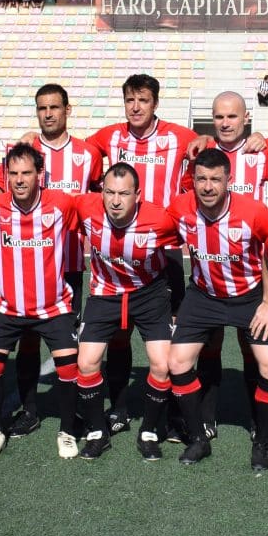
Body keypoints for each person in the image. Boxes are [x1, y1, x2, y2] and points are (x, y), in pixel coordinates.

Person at [0, 84, 101, 439]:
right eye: (42, 108)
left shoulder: (88, 153)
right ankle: (31, 408)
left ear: (68, 109)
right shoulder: (23, 152)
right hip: (25, 260)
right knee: (29, 340)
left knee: (71, 342)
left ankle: (74, 409)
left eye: (54, 107)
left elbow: (95, 195)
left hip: (69, 262)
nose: (48, 114)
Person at [165, 148, 268, 469]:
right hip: (203, 297)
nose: (207, 187)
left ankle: (262, 438)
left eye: (215, 180)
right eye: (201, 179)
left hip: (249, 298)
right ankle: (198, 438)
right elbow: (158, 234)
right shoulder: (180, 208)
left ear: (228, 180)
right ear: (192, 180)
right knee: (177, 362)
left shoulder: (253, 212)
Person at [0, 144, 82, 459]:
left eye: (26, 173)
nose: (19, 180)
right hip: (9, 308)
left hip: (54, 307)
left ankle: (68, 431)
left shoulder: (62, 205)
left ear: (40, 175)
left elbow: (95, 216)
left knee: (70, 369)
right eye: (13, 174)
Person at [73, 163, 180, 460]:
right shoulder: (85, 207)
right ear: (101, 192)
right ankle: (97, 432)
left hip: (149, 294)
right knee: (87, 362)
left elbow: (193, 233)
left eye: (123, 193)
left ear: (138, 195)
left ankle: (148, 431)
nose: (115, 201)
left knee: (162, 364)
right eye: (109, 192)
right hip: (105, 293)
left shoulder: (160, 219)